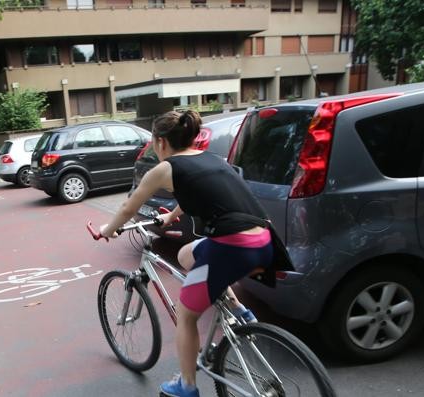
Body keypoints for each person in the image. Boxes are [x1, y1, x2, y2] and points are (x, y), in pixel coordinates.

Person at [95, 110, 287, 397]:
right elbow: (199, 193)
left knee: (186, 316)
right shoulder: (209, 158)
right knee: (187, 255)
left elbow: (127, 208)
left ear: (160, 142)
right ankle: (238, 310)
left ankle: (186, 386)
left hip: (232, 245)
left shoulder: (165, 168)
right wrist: (171, 215)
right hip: (263, 239)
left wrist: (108, 229)